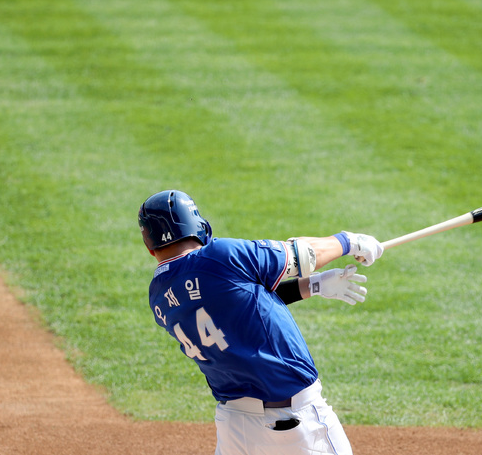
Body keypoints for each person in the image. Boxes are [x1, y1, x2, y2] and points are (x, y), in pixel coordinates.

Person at [138, 190, 383, 455]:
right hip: (295, 424)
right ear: (198, 224)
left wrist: (313, 286)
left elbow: (238, 304)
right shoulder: (220, 255)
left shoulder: (159, 295)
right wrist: (350, 241)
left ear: (150, 247)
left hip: (235, 429)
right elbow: (303, 255)